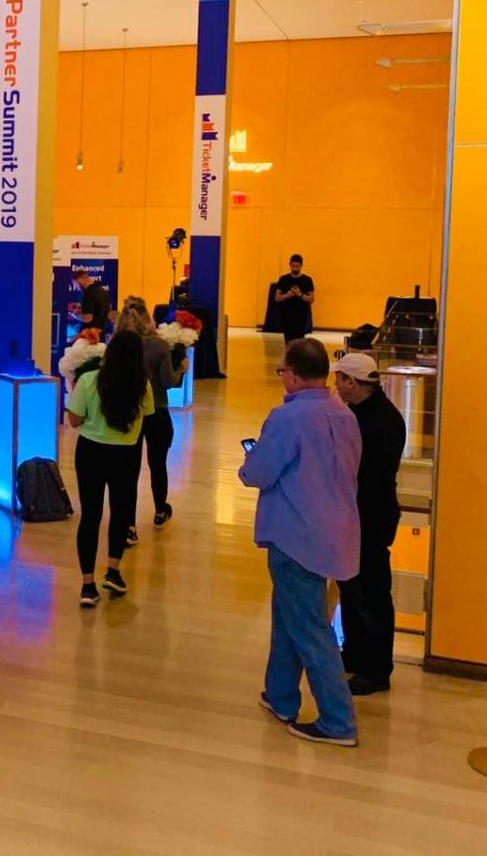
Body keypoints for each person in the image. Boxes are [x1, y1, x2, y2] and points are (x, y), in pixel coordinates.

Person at [239, 338, 361, 746]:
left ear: (291, 374)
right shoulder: (344, 415)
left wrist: (248, 462)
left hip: (296, 535)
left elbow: (259, 473)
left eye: (282, 372)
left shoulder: (286, 419)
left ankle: (337, 720)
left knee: (310, 627)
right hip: (334, 530)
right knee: (288, 614)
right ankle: (280, 696)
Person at [333, 352, 406, 696]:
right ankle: (356, 653)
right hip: (359, 514)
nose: (335, 385)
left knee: (371, 592)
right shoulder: (367, 413)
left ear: (352, 382)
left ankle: (376, 668)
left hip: (369, 518)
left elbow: (364, 474)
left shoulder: (378, 422)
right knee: (351, 586)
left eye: (339, 379)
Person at [67, 329, 154, 607]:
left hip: (91, 452)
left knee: (90, 515)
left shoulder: (89, 380)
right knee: (121, 512)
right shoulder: (143, 386)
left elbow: (74, 421)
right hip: (127, 455)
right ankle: (114, 570)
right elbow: (146, 418)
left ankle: (87, 584)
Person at [116, 297, 186, 540]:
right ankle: (159, 510)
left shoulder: (118, 344)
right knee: (158, 464)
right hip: (157, 411)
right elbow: (168, 381)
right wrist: (182, 369)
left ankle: (129, 526)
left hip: (129, 412)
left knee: (128, 470)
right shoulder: (158, 345)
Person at [274, 254, 315, 344]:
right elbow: (277, 297)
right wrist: (287, 295)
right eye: (293, 266)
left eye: (297, 266)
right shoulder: (284, 279)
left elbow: (311, 299)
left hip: (301, 316)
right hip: (287, 315)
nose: (295, 268)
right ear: (290, 265)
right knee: (288, 340)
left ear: (301, 266)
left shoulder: (307, 280)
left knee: (300, 340)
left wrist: (299, 294)